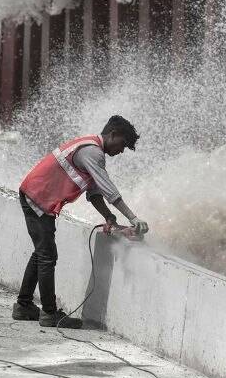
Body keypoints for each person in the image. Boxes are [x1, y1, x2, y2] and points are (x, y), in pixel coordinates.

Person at [15, 115, 148, 328]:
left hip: (36, 196)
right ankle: (49, 314)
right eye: (122, 144)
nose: (122, 151)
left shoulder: (90, 148)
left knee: (41, 253)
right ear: (112, 135)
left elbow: (94, 194)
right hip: (38, 197)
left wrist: (110, 218)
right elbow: (108, 189)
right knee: (47, 256)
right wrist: (133, 217)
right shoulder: (93, 152)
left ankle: (23, 306)